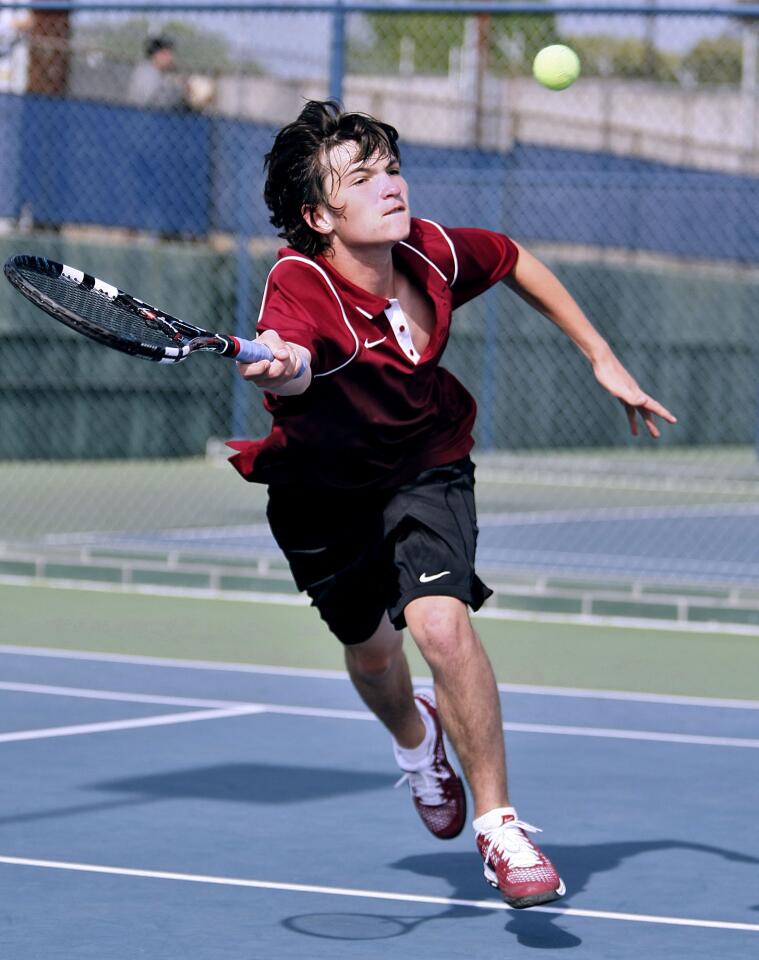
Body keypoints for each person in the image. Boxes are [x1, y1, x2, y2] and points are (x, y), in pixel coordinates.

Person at [226, 100, 676, 909]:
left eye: (389, 167)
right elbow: (294, 356)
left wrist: (600, 357)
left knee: (438, 622)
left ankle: (500, 826)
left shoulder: (429, 252)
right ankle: (413, 740)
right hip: (320, 495)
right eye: (360, 179)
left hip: (424, 465)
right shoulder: (298, 283)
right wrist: (286, 366)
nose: (389, 185)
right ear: (317, 215)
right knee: (371, 654)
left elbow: (512, 259)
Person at [126, 35, 186, 110]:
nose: (171, 58)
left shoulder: (160, 73)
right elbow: (149, 101)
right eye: (166, 54)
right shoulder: (147, 73)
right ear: (156, 55)